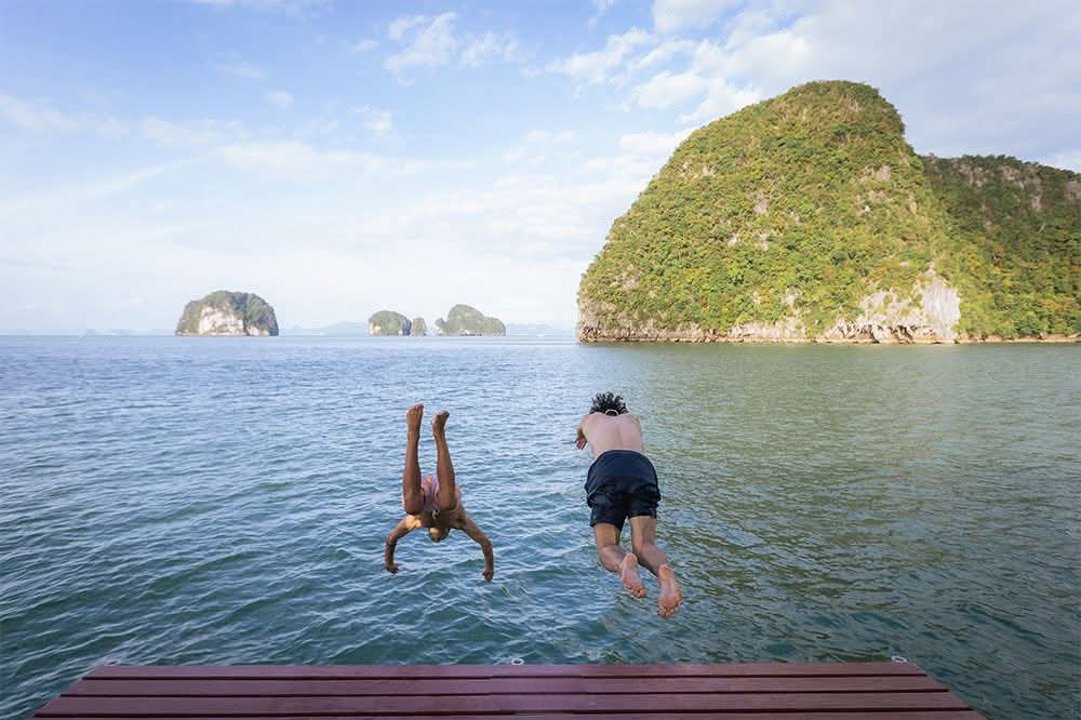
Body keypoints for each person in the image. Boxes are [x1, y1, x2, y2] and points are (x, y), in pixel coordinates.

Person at [576, 392, 683, 617]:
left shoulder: (590, 419)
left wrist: (581, 437)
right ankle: (664, 573)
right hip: (641, 468)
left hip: (607, 468)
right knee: (645, 545)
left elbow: (580, 433)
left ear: (596, 410)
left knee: (607, 547)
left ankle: (624, 563)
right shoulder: (632, 419)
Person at [384, 404, 495, 581]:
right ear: (447, 531)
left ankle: (413, 434)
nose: (438, 538)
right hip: (444, 488)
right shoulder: (459, 522)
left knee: (411, 507)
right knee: (447, 504)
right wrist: (489, 567)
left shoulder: (415, 522)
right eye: (441, 539)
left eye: (435, 539)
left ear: (429, 531)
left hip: (424, 493)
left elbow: (391, 539)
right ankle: (439, 433)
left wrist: (389, 562)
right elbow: (485, 543)